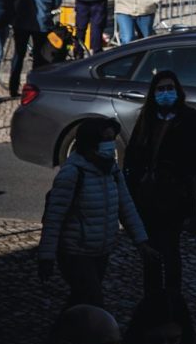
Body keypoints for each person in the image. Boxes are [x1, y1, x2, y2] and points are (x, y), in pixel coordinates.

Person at [40, 118, 154, 308]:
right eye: (106, 139)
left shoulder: (112, 170)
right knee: (93, 302)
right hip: (75, 253)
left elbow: (126, 207)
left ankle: (61, 336)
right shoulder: (72, 173)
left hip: (100, 252)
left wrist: (142, 243)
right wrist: (46, 257)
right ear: (90, 143)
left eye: (112, 138)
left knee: (79, 302)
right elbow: (54, 218)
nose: (110, 144)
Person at [121, 67, 196, 293]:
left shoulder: (189, 117)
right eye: (161, 89)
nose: (166, 93)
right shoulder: (147, 117)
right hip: (147, 195)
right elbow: (133, 155)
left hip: (174, 194)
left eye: (170, 88)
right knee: (150, 248)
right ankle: (152, 294)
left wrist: (176, 169)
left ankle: (172, 295)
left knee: (170, 248)